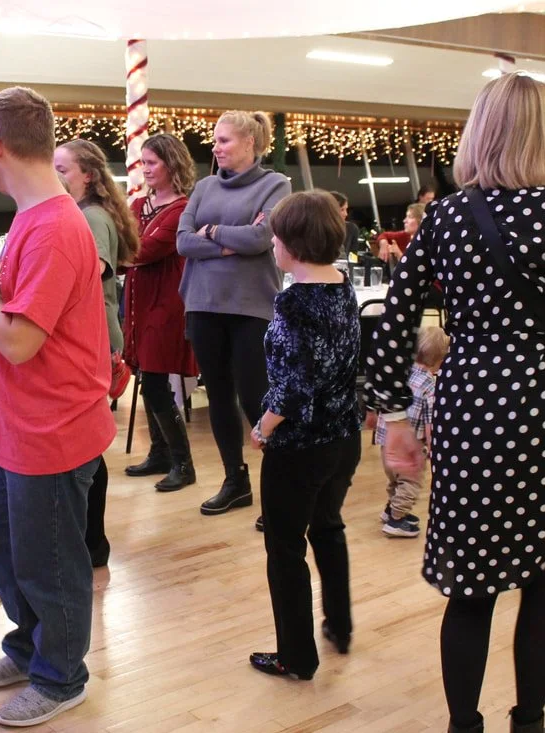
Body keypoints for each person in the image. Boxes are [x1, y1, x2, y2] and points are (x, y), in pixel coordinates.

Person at [365, 73, 545, 733]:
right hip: (544, 410)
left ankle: (464, 725)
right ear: (541, 138)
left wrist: (398, 417)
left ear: (479, 132)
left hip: (469, 407)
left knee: (470, 591)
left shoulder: (443, 216)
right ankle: (530, 723)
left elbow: (395, 323)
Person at [0, 86, 114, 728]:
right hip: (18, 425)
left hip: (54, 427)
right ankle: (32, 649)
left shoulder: (55, 227)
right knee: (7, 553)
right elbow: (6, 327)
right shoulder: (30, 219)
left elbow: (16, 338)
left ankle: (61, 674)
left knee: (49, 564)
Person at [246, 190, 361, 681]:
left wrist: (262, 426)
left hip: (301, 446)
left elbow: (294, 388)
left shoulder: (294, 303)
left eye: (276, 234)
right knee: (328, 527)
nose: (271, 242)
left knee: (285, 548)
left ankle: (296, 655)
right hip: (343, 437)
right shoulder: (344, 286)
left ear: (292, 243)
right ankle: (339, 624)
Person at [177, 110, 291, 517]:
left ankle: (278, 490)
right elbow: (183, 242)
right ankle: (235, 480)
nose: (215, 146)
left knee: (256, 398)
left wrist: (210, 233)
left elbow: (261, 238)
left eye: (224, 140)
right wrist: (228, 241)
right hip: (203, 304)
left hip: (250, 307)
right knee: (219, 396)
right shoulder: (205, 186)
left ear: (250, 144)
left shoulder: (275, 184)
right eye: (215, 139)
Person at [54, 138, 139, 567]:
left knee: (87, 451)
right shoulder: (85, 214)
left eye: (63, 169)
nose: (56, 176)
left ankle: (93, 543)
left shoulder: (90, 217)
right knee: (87, 448)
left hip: (97, 339)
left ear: (87, 175)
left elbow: (91, 272)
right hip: (95, 337)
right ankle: (90, 541)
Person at [123, 133, 200, 491]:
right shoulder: (139, 206)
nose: (146, 169)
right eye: (144, 162)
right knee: (146, 378)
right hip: (140, 303)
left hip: (166, 304)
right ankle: (160, 452)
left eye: (152, 162)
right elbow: (130, 246)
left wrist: (119, 250)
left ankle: (183, 463)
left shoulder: (184, 209)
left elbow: (142, 250)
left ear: (171, 164)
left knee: (154, 382)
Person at [373, 325, 449, 539]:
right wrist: (434, 449)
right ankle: (397, 520)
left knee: (396, 480)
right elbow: (430, 423)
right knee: (411, 483)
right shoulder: (428, 386)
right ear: (437, 361)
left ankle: (391, 510)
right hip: (410, 448)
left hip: (386, 444)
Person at [330, 191, 361, 257]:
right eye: (342, 210)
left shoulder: (352, 228)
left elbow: (353, 253)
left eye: (346, 209)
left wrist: (351, 266)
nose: (346, 214)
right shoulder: (317, 230)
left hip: (345, 266)